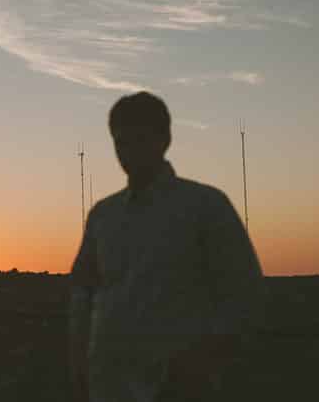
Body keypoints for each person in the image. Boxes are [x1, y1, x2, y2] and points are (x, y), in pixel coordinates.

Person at [68, 92, 262, 402]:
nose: (129, 151)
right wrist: (80, 367)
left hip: (180, 388)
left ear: (164, 139)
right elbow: (83, 293)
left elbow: (243, 292)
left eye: (139, 139)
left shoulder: (205, 206)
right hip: (110, 386)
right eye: (121, 141)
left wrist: (203, 361)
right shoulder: (103, 216)